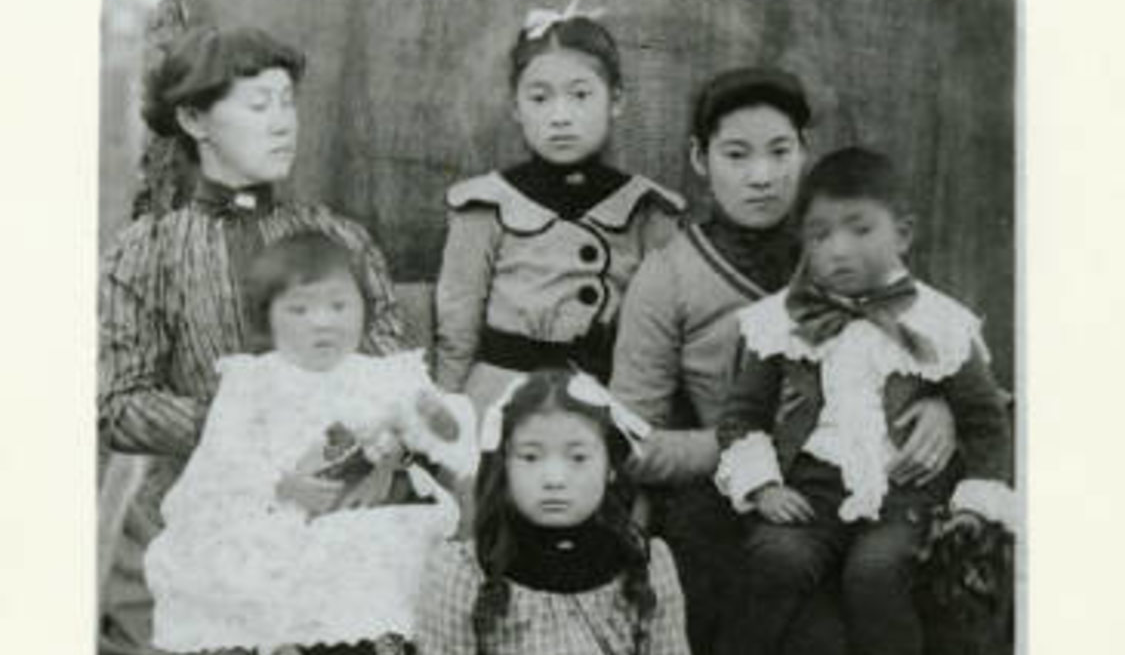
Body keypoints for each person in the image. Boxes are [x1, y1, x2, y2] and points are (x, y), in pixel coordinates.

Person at [610, 67, 959, 655]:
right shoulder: (668, 275)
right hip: (733, 507)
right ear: (700, 158)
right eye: (736, 154)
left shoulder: (851, 249)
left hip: (863, 489)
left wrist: (939, 404)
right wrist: (752, 452)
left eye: (780, 151)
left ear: (805, 150)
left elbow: (930, 340)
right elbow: (630, 440)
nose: (762, 177)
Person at [98, 26, 405, 655]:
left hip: (331, 510)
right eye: (259, 105)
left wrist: (329, 464)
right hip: (196, 517)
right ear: (194, 119)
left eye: (288, 102)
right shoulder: (148, 250)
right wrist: (242, 426)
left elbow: (389, 374)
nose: (282, 123)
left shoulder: (337, 240)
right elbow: (117, 403)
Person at [713, 146, 1015, 655]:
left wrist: (971, 507)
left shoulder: (940, 322)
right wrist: (763, 486)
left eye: (860, 229)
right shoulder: (784, 321)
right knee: (776, 558)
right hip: (811, 490)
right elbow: (742, 415)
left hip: (906, 498)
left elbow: (985, 422)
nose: (838, 250)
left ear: (903, 233)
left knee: (875, 574)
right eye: (820, 234)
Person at [144, 233, 477, 655]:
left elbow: (453, 445)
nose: (323, 322)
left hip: (370, 510)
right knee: (257, 556)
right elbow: (224, 459)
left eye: (339, 306)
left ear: (364, 309)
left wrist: (432, 418)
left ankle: (381, 638)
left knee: (391, 540)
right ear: (268, 320)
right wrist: (282, 484)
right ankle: (288, 640)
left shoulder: (385, 376)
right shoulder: (253, 381)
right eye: (299, 309)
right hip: (282, 509)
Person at [434, 0, 685, 414]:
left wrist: (640, 426)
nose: (560, 116)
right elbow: (457, 331)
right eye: (539, 97)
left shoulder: (648, 210)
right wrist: (440, 426)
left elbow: (660, 337)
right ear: (516, 106)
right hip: (500, 401)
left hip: (607, 402)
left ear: (616, 100)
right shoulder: (484, 206)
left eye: (581, 95)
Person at [415, 368, 691, 655]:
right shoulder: (465, 575)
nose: (554, 479)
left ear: (609, 467)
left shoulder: (646, 566)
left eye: (578, 458)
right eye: (531, 457)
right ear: (505, 465)